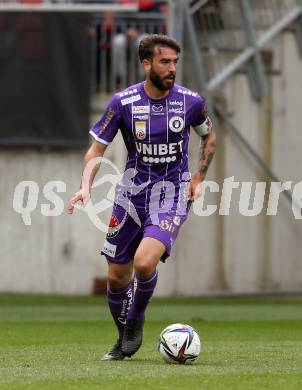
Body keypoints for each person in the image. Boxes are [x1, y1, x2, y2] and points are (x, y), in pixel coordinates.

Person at [68, 34, 216, 361]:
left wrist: (199, 176)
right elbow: (97, 148)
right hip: (131, 195)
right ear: (146, 63)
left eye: (175, 62)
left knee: (144, 262)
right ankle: (124, 340)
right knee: (117, 276)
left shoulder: (191, 102)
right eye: (165, 62)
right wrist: (85, 185)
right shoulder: (122, 102)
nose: (172, 68)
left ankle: (135, 321)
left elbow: (209, 138)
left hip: (172, 193)